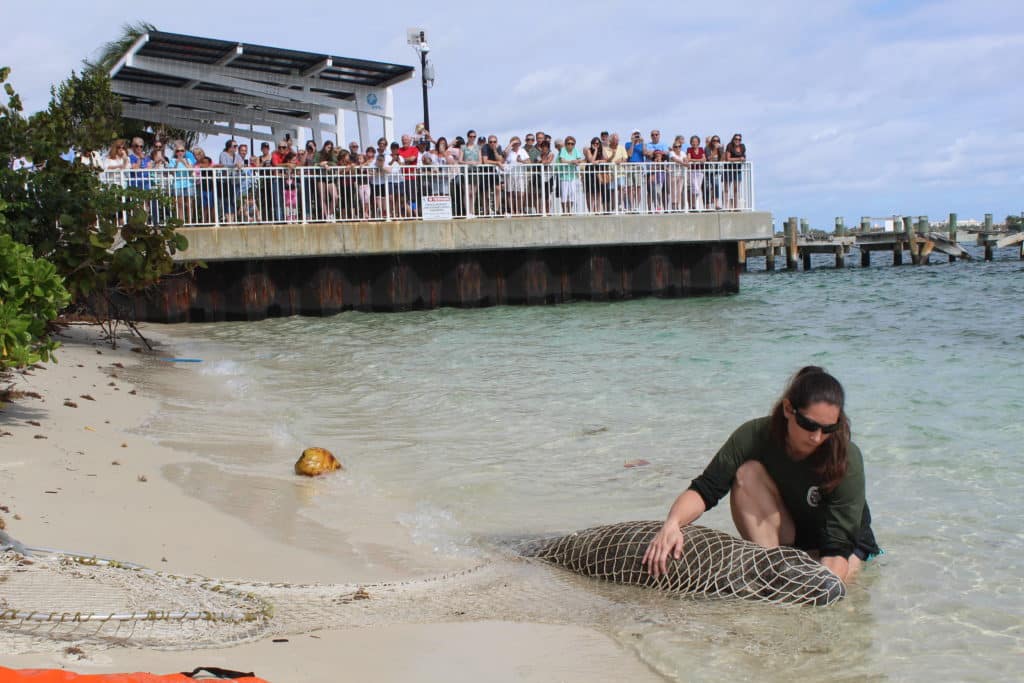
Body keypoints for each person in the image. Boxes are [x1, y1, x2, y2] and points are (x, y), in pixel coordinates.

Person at [642, 366, 881, 585]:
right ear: (789, 409)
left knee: (832, 589)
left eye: (828, 429)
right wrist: (672, 524)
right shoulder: (754, 435)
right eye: (809, 425)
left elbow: (838, 546)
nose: (817, 437)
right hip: (791, 535)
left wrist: (821, 585)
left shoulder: (846, 457)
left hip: (843, 547)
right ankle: (771, 567)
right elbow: (706, 489)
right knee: (747, 472)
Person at [725, 133, 747, 209]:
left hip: (738, 170)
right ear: (733, 139)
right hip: (728, 170)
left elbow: (744, 157)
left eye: (739, 139)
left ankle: (735, 207)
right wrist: (739, 159)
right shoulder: (729, 146)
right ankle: (726, 207)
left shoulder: (742, 146)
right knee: (726, 189)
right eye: (736, 139)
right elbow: (728, 159)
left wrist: (743, 159)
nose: (737, 140)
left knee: (736, 189)